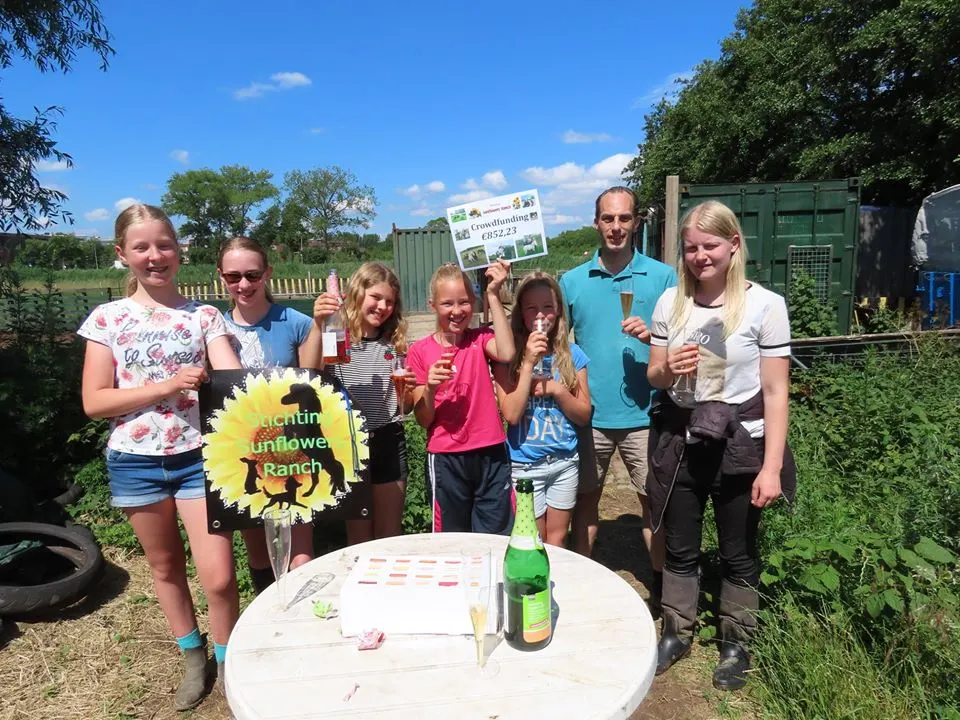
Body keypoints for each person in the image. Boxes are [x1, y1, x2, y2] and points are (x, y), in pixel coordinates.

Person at [78, 204, 242, 710]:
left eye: (164, 244)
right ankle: (194, 656)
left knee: (218, 574)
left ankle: (229, 657)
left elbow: (235, 381)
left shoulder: (204, 316)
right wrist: (167, 385)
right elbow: (94, 401)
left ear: (179, 249)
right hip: (135, 461)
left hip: (200, 457)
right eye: (142, 247)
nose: (155, 256)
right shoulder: (106, 319)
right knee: (166, 565)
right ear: (121, 254)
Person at [646, 200, 795, 690]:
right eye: (691, 247)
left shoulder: (766, 306)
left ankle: (736, 641)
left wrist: (771, 467)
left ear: (733, 245)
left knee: (738, 549)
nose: (700, 256)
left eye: (710, 245)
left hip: (738, 444)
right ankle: (677, 630)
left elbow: (775, 393)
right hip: (682, 438)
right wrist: (670, 368)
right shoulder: (671, 303)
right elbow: (654, 374)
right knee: (682, 544)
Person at [558, 187, 676, 580]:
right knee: (585, 500)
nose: (616, 227)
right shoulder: (572, 281)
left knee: (652, 502)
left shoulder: (662, 277)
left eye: (624, 218)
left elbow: (681, 343)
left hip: (646, 414)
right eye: (608, 219)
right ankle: (578, 580)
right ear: (596, 223)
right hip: (588, 414)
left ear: (636, 222)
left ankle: (661, 586)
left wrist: (654, 337)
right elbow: (557, 344)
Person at [217, 236, 322, 595]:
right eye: (233, 277)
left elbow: (314, 387)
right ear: (221, 277)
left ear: (267, 273)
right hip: (241, 448)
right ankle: (267, 609)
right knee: (256, 541)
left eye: (252, 274)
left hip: (292, 447)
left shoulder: (298, 323)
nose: (243, 285)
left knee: (300, 548)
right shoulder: (213, 327)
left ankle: (303, 611)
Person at [408, 260, 515, 534]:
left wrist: (494, 294)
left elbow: (506, 353)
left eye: (464, 302)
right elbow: (423, 419)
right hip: (446, 458)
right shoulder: (420, 352)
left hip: (490, 452)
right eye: (447, 304)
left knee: (495, 537)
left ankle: (491, 580)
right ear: (433, 306)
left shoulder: (480, 339)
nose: (457, 311)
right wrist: (430, 388)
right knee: (452, 540)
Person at [313, 261, 413, 544]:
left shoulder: (396, 342)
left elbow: (405, 407)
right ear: (357, 293)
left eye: (390, 301)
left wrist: (408, 391)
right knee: (358, 533)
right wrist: (318, 324)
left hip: (388, 438)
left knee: (388, 534)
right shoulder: (336, 337)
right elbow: (310, 374)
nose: (383, 306)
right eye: (376, 297)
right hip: (348, 440)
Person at [493, 271, 591, 547]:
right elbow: (511, 414)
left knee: (558, 539)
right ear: (521, 314)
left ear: (559, 310)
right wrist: (527, 363)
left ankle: (552, 589)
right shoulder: (507, 358)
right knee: (534, 540)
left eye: (548, 307)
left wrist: (557, 390)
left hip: (564, 462)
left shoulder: (572, 355)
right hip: (525, 465)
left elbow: (584, 415)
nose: (540, 316)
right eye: (532, 308)